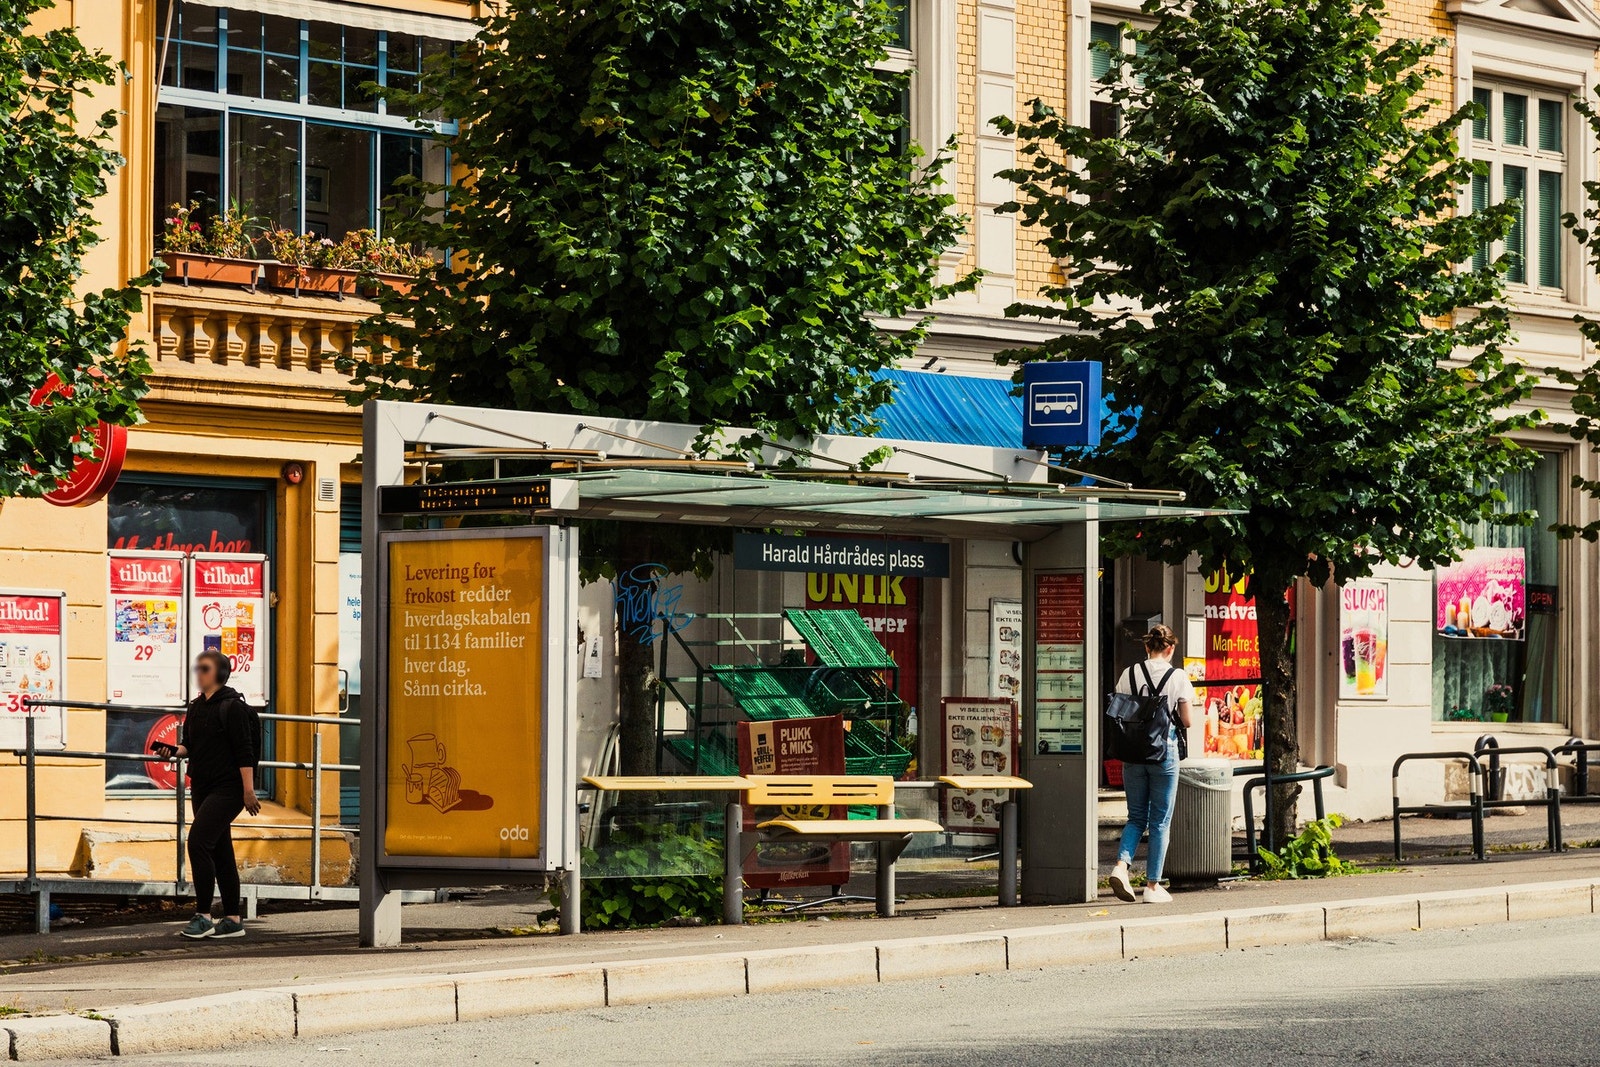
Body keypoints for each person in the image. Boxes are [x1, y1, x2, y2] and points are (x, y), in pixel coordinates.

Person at [153, 649, 260, 939]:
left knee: (198, 842)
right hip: (201, 785)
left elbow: (244, 751)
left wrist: (248, 791)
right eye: (197, 667)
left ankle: (202, 915)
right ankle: (233, 919)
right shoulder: (196, 707)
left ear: (219, 674)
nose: (198, 672)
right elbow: (190, 746)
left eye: (204, 668)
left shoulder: (233, 707)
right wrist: (173, 751)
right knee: (220, 848)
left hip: (229, 788)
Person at [1108, 625, 1194, 905]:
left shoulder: (1128, 674)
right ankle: (1152, 885)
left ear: (1147, 647)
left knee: (1136, 817)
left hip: (1132, 755)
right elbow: (1187, 720)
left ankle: (1121, 866)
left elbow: (1120, 709)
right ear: (1170, 648)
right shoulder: (1177, 676)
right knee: (1159, 821)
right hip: (1164, 754)